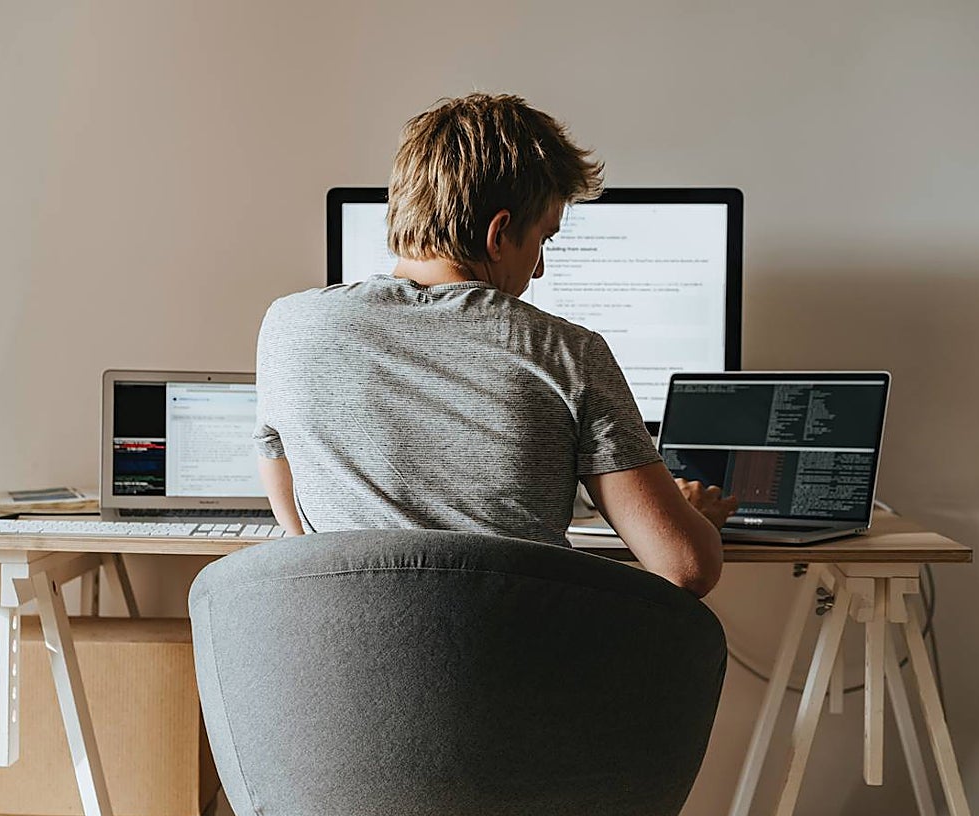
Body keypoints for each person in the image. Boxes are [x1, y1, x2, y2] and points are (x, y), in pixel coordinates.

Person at [254, 93, 736, 597]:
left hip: (338, 662)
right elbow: (685, 568)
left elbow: (297, 530)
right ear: (499, 233)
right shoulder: (568, 352)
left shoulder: (289, 326)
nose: (541, 267)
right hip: (516, 668)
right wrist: (692, 518)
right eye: (543, 240)